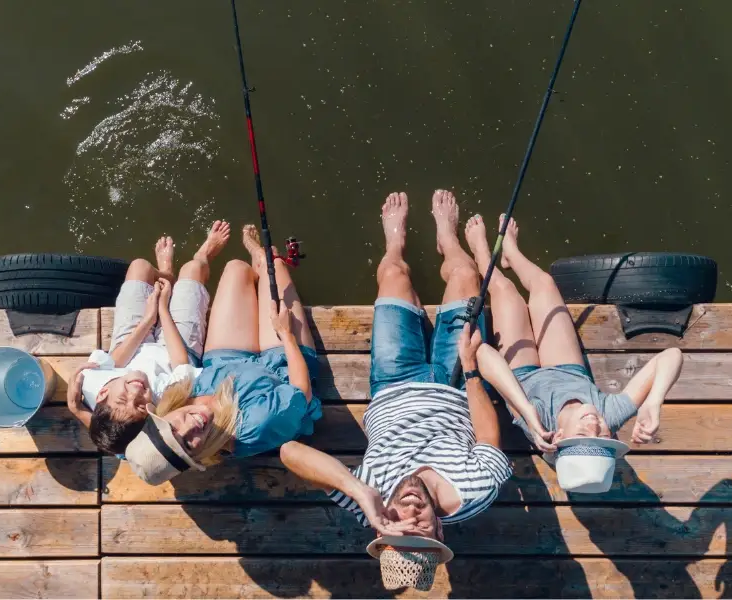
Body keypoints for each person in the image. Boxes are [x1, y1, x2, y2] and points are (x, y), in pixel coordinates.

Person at [280, 191, 512, 592]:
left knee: (393, 276)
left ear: (384, 527)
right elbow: (489, 438)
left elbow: (289, 452)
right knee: (466, 277)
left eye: (399, 528)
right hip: (455, 384)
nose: (410, 516)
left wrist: (357, 490)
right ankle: (447, 238)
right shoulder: (477, 491)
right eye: (420, 532)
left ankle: (395, 242)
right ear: (441, 533)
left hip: (392, 384)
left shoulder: (370, 499)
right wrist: (472, 369)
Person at [461, 213, 684, 494]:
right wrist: (653, 401)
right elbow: (671, 355)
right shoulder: (609, 415)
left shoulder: (539, 424)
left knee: (505, 292)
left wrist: (526, 410)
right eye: (604, 436)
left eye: (582, 435)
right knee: (544, 284)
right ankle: (512, 253)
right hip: (567, 367)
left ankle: (483, 253)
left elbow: (482, 354)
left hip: (522, 374)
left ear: (561, 436)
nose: (594, 425)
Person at [120, 224, 323, 485]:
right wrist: (286, 335)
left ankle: (256, 262)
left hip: (228, 362)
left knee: (236, 268)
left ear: (160, 416)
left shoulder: (172, 398)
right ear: (199, 456)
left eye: (172, 428)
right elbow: (301, 391)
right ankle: (262, 258)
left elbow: (115, 441)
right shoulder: (252, 427)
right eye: (188, 445)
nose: (190, 426)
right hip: (283, 369)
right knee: (272, 265)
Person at [65, 221, 231, 456]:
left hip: (131, 342)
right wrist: (161, 310)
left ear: (102, 394)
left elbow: (114, 363)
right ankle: (204, 254)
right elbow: (181, 363)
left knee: (140, 267)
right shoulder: (161, 403)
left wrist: (147, 319)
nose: (136, 392)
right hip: (175, 350)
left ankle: (167, 274)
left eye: (123, 398)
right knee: (193, 269)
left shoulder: (91, 385)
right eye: (141, 405)